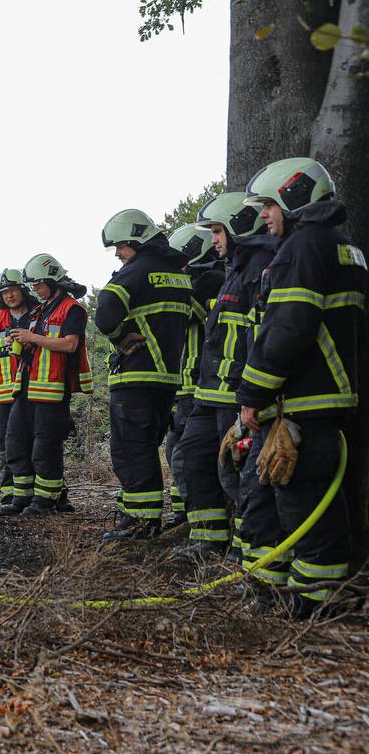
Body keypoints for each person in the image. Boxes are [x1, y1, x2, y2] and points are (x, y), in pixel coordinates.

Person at [234, 156, 366, 617]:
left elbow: (287, 330)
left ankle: (316, 600)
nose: (264, 216)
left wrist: (251, 395)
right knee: (282, 496)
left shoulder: (305, 244)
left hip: (304, 400)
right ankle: (273, 590)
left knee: (303, 500)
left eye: (268, 206)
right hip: (320, 397)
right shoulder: (340, 245)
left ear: (293, 196)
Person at [173, 192, 276, 563]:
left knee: (239, 473)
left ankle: (242, 545)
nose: (213, 240)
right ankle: (208, 537)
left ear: (238, 226)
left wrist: (253, 395)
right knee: (191, 457)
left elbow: (262, 339)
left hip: (237, 397)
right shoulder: (235, 269)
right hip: (208, 394)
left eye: (218, 230)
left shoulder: (260, 268)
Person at [95, 209, 192, 542]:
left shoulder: (136, 271)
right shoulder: (178, 274)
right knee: (148, 447)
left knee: (131, 449)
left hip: (136, 375)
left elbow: (105, 308)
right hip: (167, 380)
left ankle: (139, 523)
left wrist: (119, 336)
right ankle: (139, 515)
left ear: (136, 240)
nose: (119, 254)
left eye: (121, 246)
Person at [3, 253, 92, 517]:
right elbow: (37, 343)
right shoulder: (40, 310)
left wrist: (33, 337)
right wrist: (19, 343)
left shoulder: (72, 309)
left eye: (38, 285)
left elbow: (70, 344)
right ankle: (23, 496)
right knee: (16, 442)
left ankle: (46, 499)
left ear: (54, 280)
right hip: (27, 387)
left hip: (52, 390)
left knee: (46, 447)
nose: (35, 290)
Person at [163, 224, 221, 531]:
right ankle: (185, 515)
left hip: (199, 387)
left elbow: (181, 314)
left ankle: (200, 523)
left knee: (187, 455)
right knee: (177, 452)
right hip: (184, 387)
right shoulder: (195, 280)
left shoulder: (210, 279)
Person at [0, 269, 38, 513]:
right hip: (2, 392)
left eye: (13, 290)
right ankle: (9, 493)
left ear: (23, 290)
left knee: (34, 439)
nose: (10, 295)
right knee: (6, 443)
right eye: (4, 293)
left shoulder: (37, 315)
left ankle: (36, 493)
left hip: (31, 389)